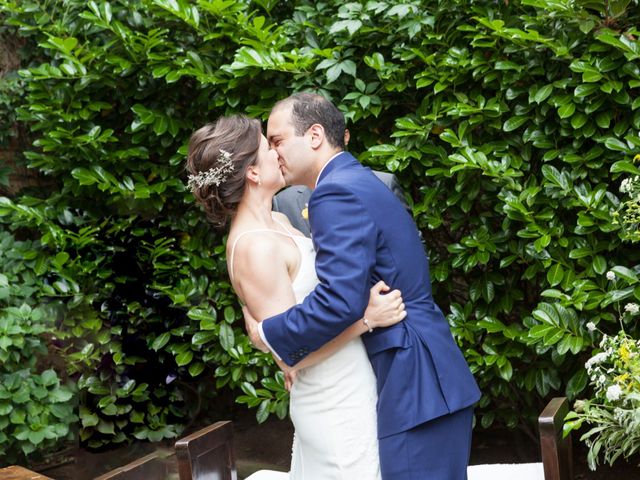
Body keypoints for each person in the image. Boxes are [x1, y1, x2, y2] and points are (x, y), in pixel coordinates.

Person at [244, 93, 482, 480]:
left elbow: (340, 299)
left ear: (315, 135)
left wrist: (269, 332)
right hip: (424, 375)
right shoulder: (358, 180)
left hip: (415, 381)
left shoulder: (334, 193)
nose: (273, 153)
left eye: (278, 141)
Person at [185, 115, 407, 479]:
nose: (278, 153)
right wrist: (367, 319)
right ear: (253, 173)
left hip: (351, 380)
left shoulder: (279, 222)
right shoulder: (254, 247)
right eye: (268, 147)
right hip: (330, 400)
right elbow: (295, 352)